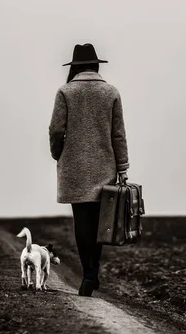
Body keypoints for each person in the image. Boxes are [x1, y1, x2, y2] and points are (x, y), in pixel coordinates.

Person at [49, 43, 130, 297]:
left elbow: (55, 131)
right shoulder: (111, 92)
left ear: (74, 67)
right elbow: (118, 134)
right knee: (101, 223)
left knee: (82, 222)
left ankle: (89, 275)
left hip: (74, 168)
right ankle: (92, 274)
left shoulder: (65, 92)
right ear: (96, 66)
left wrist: (58, 154)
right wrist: (123, 167)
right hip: (105, 167)